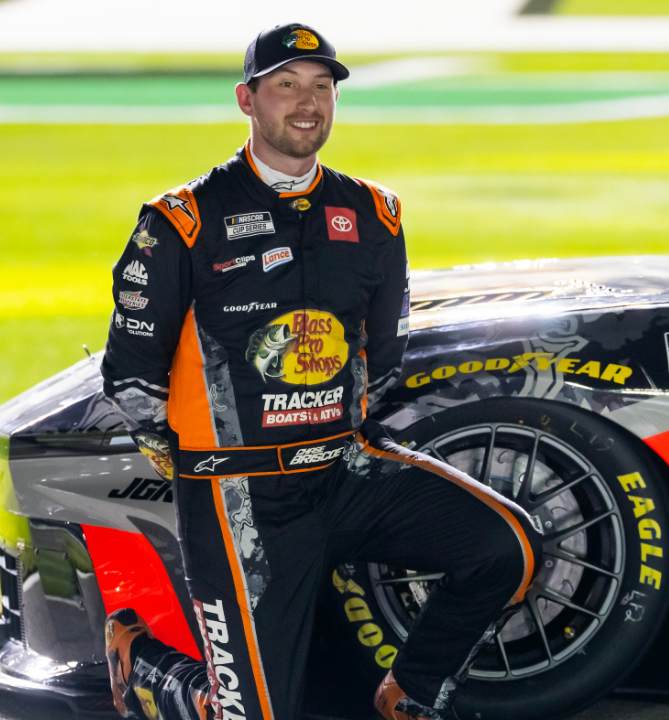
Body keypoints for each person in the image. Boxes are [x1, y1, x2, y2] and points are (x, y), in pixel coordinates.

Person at [98, 23, 541, 720]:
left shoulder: (375, 212)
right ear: (247, 99)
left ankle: (412, 692)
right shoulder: (181, 220)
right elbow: (130, 376)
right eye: (286, 86)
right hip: (238, 494)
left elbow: (383, 354)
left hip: (341, 470)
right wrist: (204, 468)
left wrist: (336, 431)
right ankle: (143, 664)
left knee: (505, 547)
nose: (307, 103)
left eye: (321, 86)